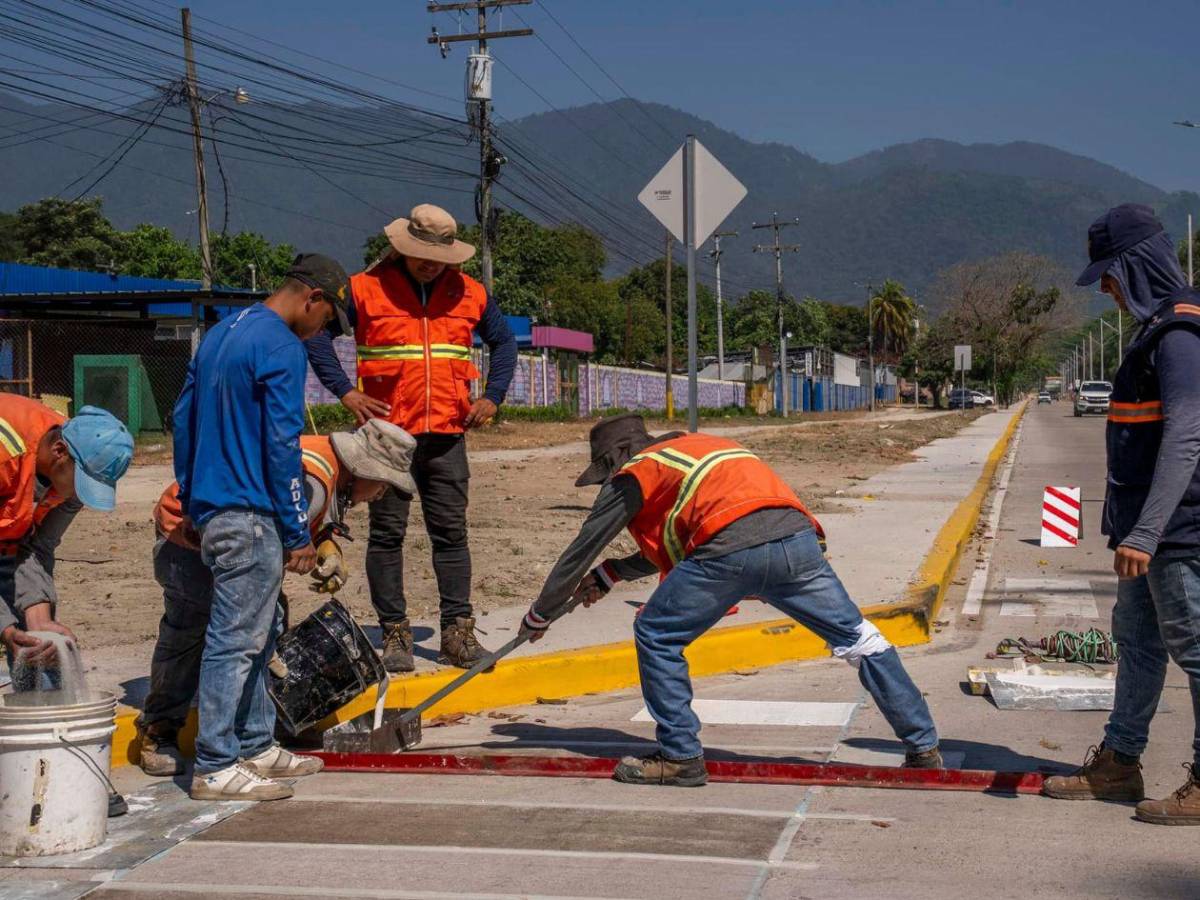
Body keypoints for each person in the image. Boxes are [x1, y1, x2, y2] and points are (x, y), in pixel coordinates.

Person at [517, 414, 941, 787]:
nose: (608, 479)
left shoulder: (636, 471)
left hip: (730, 552)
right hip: (796, 541)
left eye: (606, 469)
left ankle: (679, 757)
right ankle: (923, 746)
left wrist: (541, 614)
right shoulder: (701, 448)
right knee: (860, 639)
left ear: (619, 455)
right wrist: (612, 574)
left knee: (656, 634)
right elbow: (686, 534)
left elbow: (580, 550)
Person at [135, 419, 417, 777]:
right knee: (192, 630)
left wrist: (326, 540)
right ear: (362, 470)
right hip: (188, 535)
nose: (380, 496)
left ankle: (258, 734)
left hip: (217, 531)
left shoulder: (327, 467)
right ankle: (160, 731)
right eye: (382, 485)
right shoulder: (314, 479)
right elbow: (259, 547)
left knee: (264, 627)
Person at [305, 204, 518, 672]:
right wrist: (345, 392)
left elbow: (504, 343)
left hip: (446, 433)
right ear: (403, 247)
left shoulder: (472, 293)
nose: (429, 263)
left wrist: (494, 396)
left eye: (438, 256)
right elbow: (316, 336)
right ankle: (395, 634)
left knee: (451, 534)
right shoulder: (364, 288)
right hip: (385, 439)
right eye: (420, 253)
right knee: (386, 534)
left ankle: (457, 635)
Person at [1043, 204, 1200, 825]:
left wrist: (1147, 530)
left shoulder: (1180, 334)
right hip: (1145, 531)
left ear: (1137, 266)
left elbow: (1188, 435)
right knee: (1137, 643)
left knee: (1195, 648)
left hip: (1178, 530)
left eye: (1110, 275)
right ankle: (1121, 763)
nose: (1106, 288)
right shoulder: (1153, 329)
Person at [174, 253, 351, 802]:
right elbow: (283, 445)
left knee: (258, 634)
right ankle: (216, 763)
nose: (323, 332)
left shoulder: (224, 333)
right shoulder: (281, 346)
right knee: (236, 641)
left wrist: (192, 497)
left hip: (216, 505)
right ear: (312, 299)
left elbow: (183, 418)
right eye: (327, 321)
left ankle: (255, 745)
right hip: (251, 513)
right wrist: (298, 530)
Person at [0, 397, 133, 668]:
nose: (79, 496)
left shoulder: (69, 456)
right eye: (82, 483)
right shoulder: (6, 456)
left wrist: (39, 620)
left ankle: (43, 706)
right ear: (60, 451)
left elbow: (36, 547)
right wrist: (5, 627)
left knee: (38, 643)